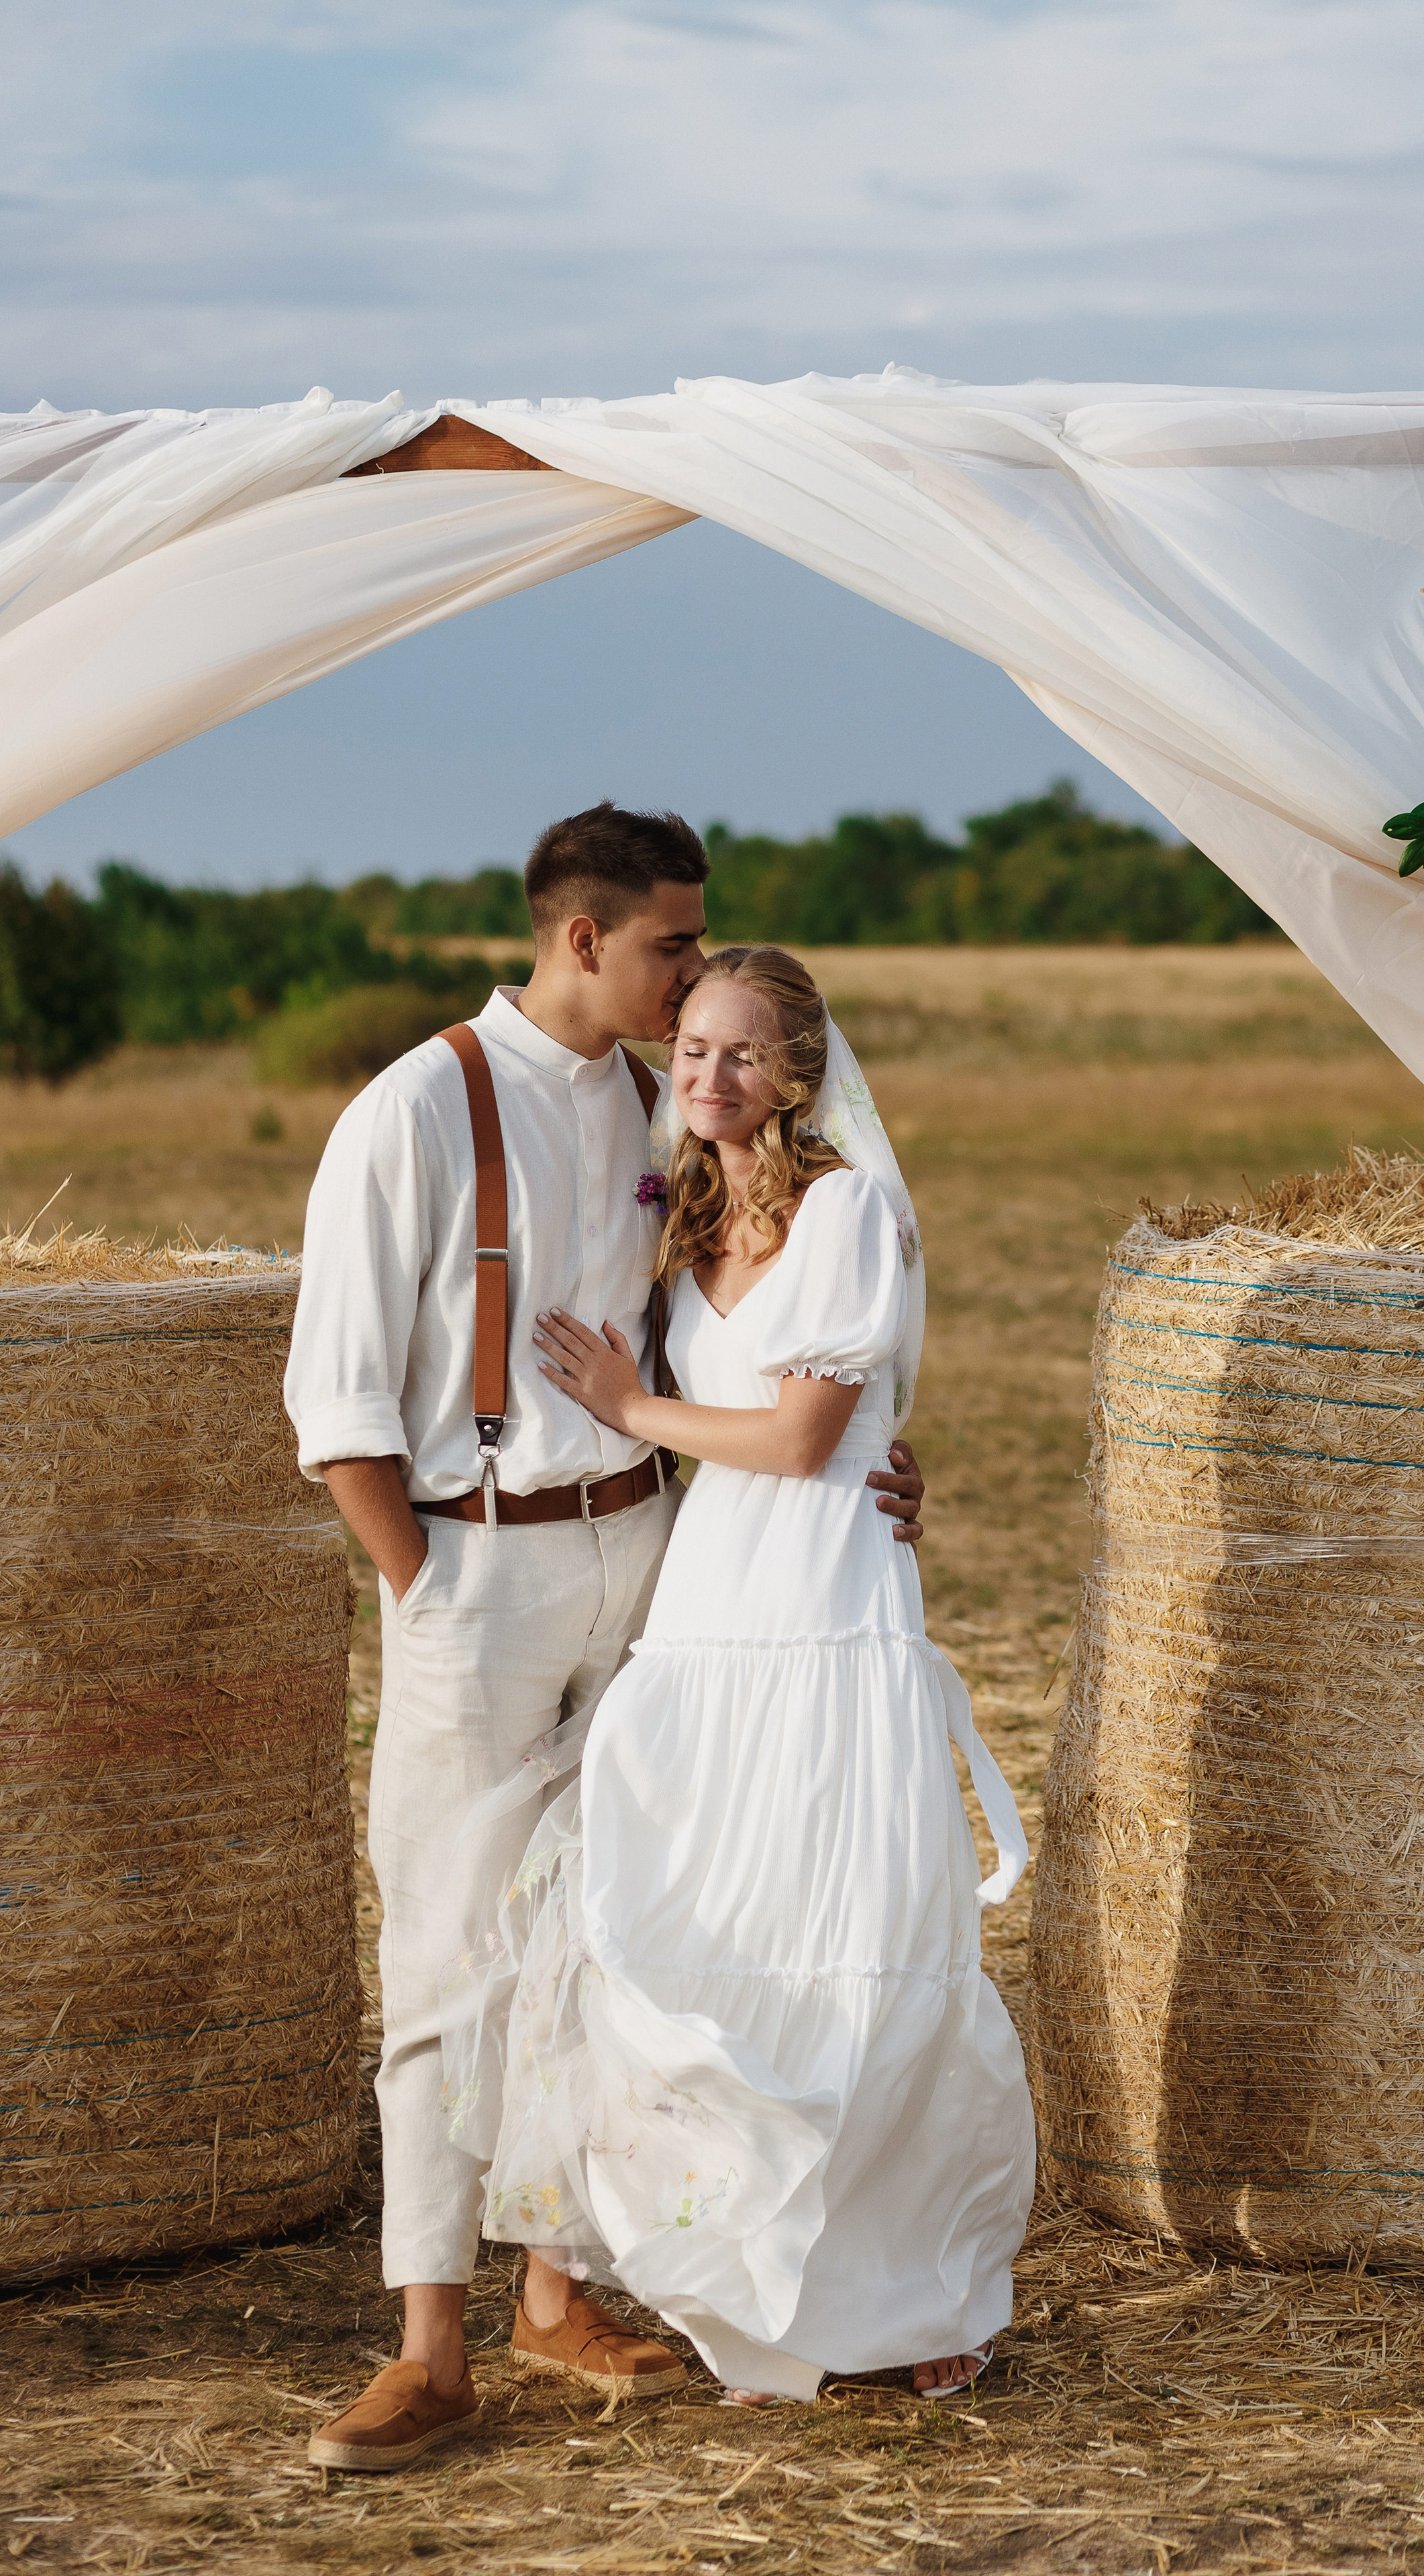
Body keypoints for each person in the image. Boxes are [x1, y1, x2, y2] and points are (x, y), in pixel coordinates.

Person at [286, 811, 927, 2472]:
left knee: (618, 1923)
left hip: (660, 1557)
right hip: (476, 1577)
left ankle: (555, 2290)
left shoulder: (669, 1099)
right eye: (670, 947)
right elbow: (336, 1407)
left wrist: (857, 1458)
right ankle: (428, 2350)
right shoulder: (416, 1109)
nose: (694, 975)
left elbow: (771, 1331)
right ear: (583, 939)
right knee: (441, 1957)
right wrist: (426, 1590)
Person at [442, 943, 1034, 2406]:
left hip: (825, 1609)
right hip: (709, 1606)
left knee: (845, 1938)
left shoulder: (847, 1209)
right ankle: (608, 2273)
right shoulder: (684, 1211)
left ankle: (887, 2301)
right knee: (657, 1904)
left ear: (802, 1073)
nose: (708, 1078)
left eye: (744, 1056)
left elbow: (800, 1438)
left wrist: (630, 1402)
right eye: (692, 1048)